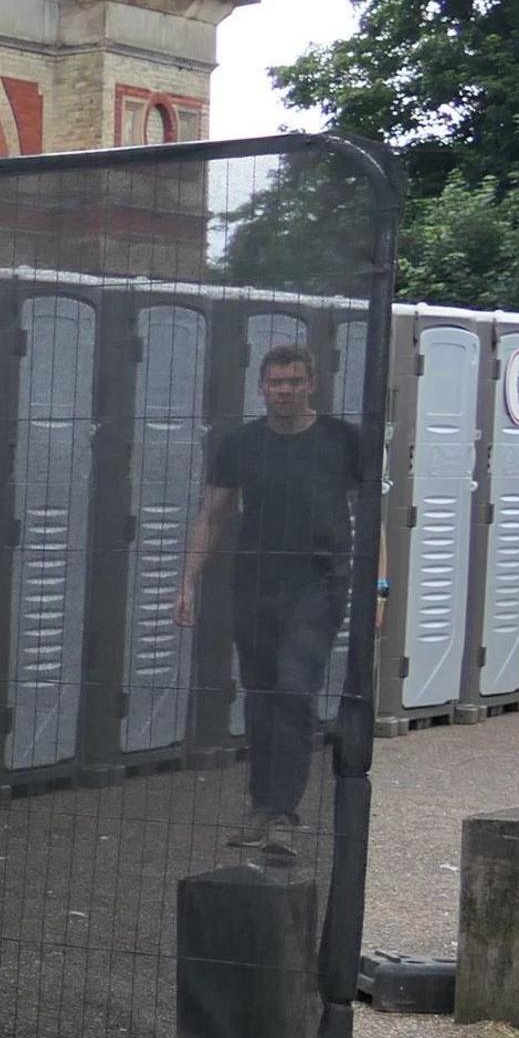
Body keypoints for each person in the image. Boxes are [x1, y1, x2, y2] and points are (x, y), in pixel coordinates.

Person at [176, 343, 369, 856]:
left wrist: (383, 588)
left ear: (312, 385)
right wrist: (188, 581)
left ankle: (283, 814)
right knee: (261, 696)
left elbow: (375, 516)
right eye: (275, 383)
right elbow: (212, 515)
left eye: (294, 381)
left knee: (294, 689)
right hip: (255, 583)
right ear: (261, 387)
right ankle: (263, 809)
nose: (284, 391)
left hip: (320, 583)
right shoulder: (240, 443)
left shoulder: (344, 440)